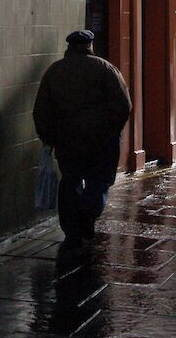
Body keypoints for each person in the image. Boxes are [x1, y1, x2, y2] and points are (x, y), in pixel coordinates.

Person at [33, 29, 132, 247]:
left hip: (67, 140)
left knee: (70, 181)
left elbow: (41, 109)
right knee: (100, 179)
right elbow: (124, 106)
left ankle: (71, 229)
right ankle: (88, 211)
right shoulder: (105, 69)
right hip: (101, 140)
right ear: (90, 45)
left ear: (70, 47)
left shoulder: (54, 71)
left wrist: (48, 136)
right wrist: (111, 130)